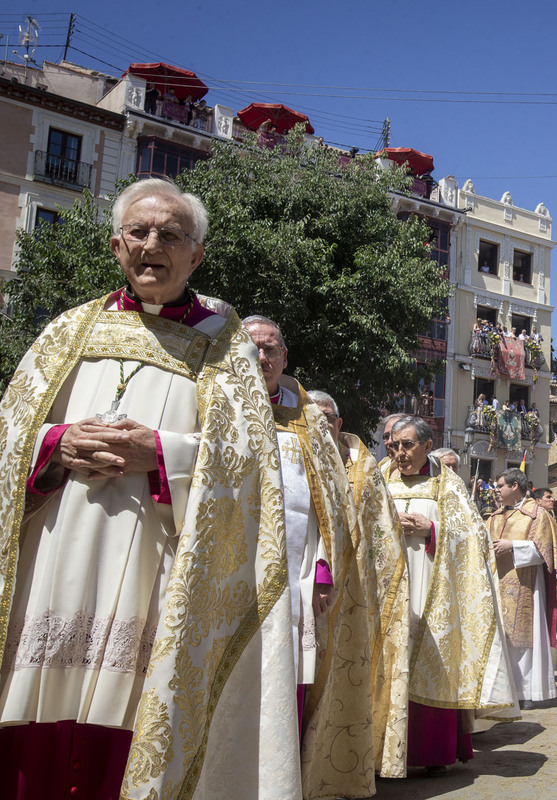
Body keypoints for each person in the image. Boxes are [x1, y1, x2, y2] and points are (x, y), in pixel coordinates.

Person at [0, 178, 299, 798]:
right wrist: (55, 443)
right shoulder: (66, 333)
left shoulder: (224, 345)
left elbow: (249, 463)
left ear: (197, 256)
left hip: (155, 564)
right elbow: (10, 433)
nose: (152, 245)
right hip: (55, 556)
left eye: (171, 235)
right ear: (115, 246)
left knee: (136, 718)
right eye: (139, 232)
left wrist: (157, 450)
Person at [243, 316, 376, 799]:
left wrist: (323, 569)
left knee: (288, 677)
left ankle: (285, 782)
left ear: (285, 357)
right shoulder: (215, 405)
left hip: (297, 575)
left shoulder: (306, 422)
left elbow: (332, 505)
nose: (263, 358)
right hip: (230, 571)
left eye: (272, 349)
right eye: (253, 348)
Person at [383, 416, 516, 774]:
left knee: (431, 661)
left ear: (427, 446)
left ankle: (428, 754)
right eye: (395, 445)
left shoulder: (448, 485)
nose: (399, 453)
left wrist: (432, 531)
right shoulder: (382, 479)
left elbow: (473, 540)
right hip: (388, 591)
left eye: (407, 445)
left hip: (432, 590)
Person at [309, 391, 410, 779]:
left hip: (352, 590)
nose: (322, 426)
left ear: (338, 422)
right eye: (313, 418)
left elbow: (381, 534)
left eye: (328, 418)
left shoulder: (363, 466)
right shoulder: (290, 451)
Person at [488, 469, 557, 710]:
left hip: (527, 584)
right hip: (498, 582)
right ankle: (505, 690)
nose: (496, 490)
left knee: (526, 640)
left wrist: (513, 546)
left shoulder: (537, 515)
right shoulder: (495, 516)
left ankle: (529, 691)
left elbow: (545, 551)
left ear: (515, 486)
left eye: (500, 486)